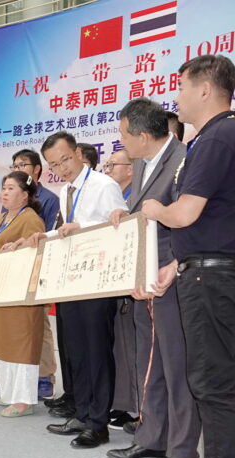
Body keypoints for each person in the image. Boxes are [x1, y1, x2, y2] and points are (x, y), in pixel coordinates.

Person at [141, 55, 235, 458]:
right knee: (223, 380)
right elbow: (210, 220)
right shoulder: (224, 135)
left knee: (211, 382)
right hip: (214, 270)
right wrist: (177, 263)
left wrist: (155, 209)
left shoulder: (216, 138)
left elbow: (186, 212)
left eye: (182, 88)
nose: (177, 98)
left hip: (213, 278)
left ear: (205, 89)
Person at [106, 97, 201, 458]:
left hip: (172, 278)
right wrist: (123, 214)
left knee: (176, 365)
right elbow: (142, 213)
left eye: (124, 135)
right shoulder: (143, 164)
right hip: (144, 279)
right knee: (150, 361)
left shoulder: (185, 161)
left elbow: (192, 221)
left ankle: (182, 450)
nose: (122, 143)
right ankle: (152, 437)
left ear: (143, 135)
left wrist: (174, 265)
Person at [13, 131, 126, 448]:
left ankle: (98, 424)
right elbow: (65, 231)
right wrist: (42, 237)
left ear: (77, 153)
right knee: (75, 352)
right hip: (72, 280)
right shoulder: (66, 191)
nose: (61, 168)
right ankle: (81, 413)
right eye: (54, 164)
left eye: (65, 159)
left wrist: (82, 227)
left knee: (96, 354)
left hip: (98, 282)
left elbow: (121, 226)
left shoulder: (104, 186)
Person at [0, 172, 45, 416]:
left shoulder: (31, 219)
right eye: (4, 187)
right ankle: (9, 391)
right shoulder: (2, 218)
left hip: (19, 291)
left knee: (21, 343)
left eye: (11, 188)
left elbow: (36, 253)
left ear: (25, 195)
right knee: (2, 340)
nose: (4, 192)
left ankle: (24, 399)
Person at [9, 149, 60, 401]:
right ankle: (20, 378)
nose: (18, 169)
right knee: (19, 325)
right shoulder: (11, 202)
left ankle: (45, 377)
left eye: (23, 164)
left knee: (40, 325)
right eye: (14, 165)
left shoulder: (49, 199)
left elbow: (49, 235)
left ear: (37, 169)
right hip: (16, 271)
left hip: (39, 267)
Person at [103, 148, 141, 431]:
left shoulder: (136, 198)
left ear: (130, 169)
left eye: (112, 165)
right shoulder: (114, 197)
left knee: (132, 347)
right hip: (113, 280)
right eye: (107, 165)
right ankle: (123, 402)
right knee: (120, 346)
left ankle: (135, 408)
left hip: (133, 284)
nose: (108, 169)